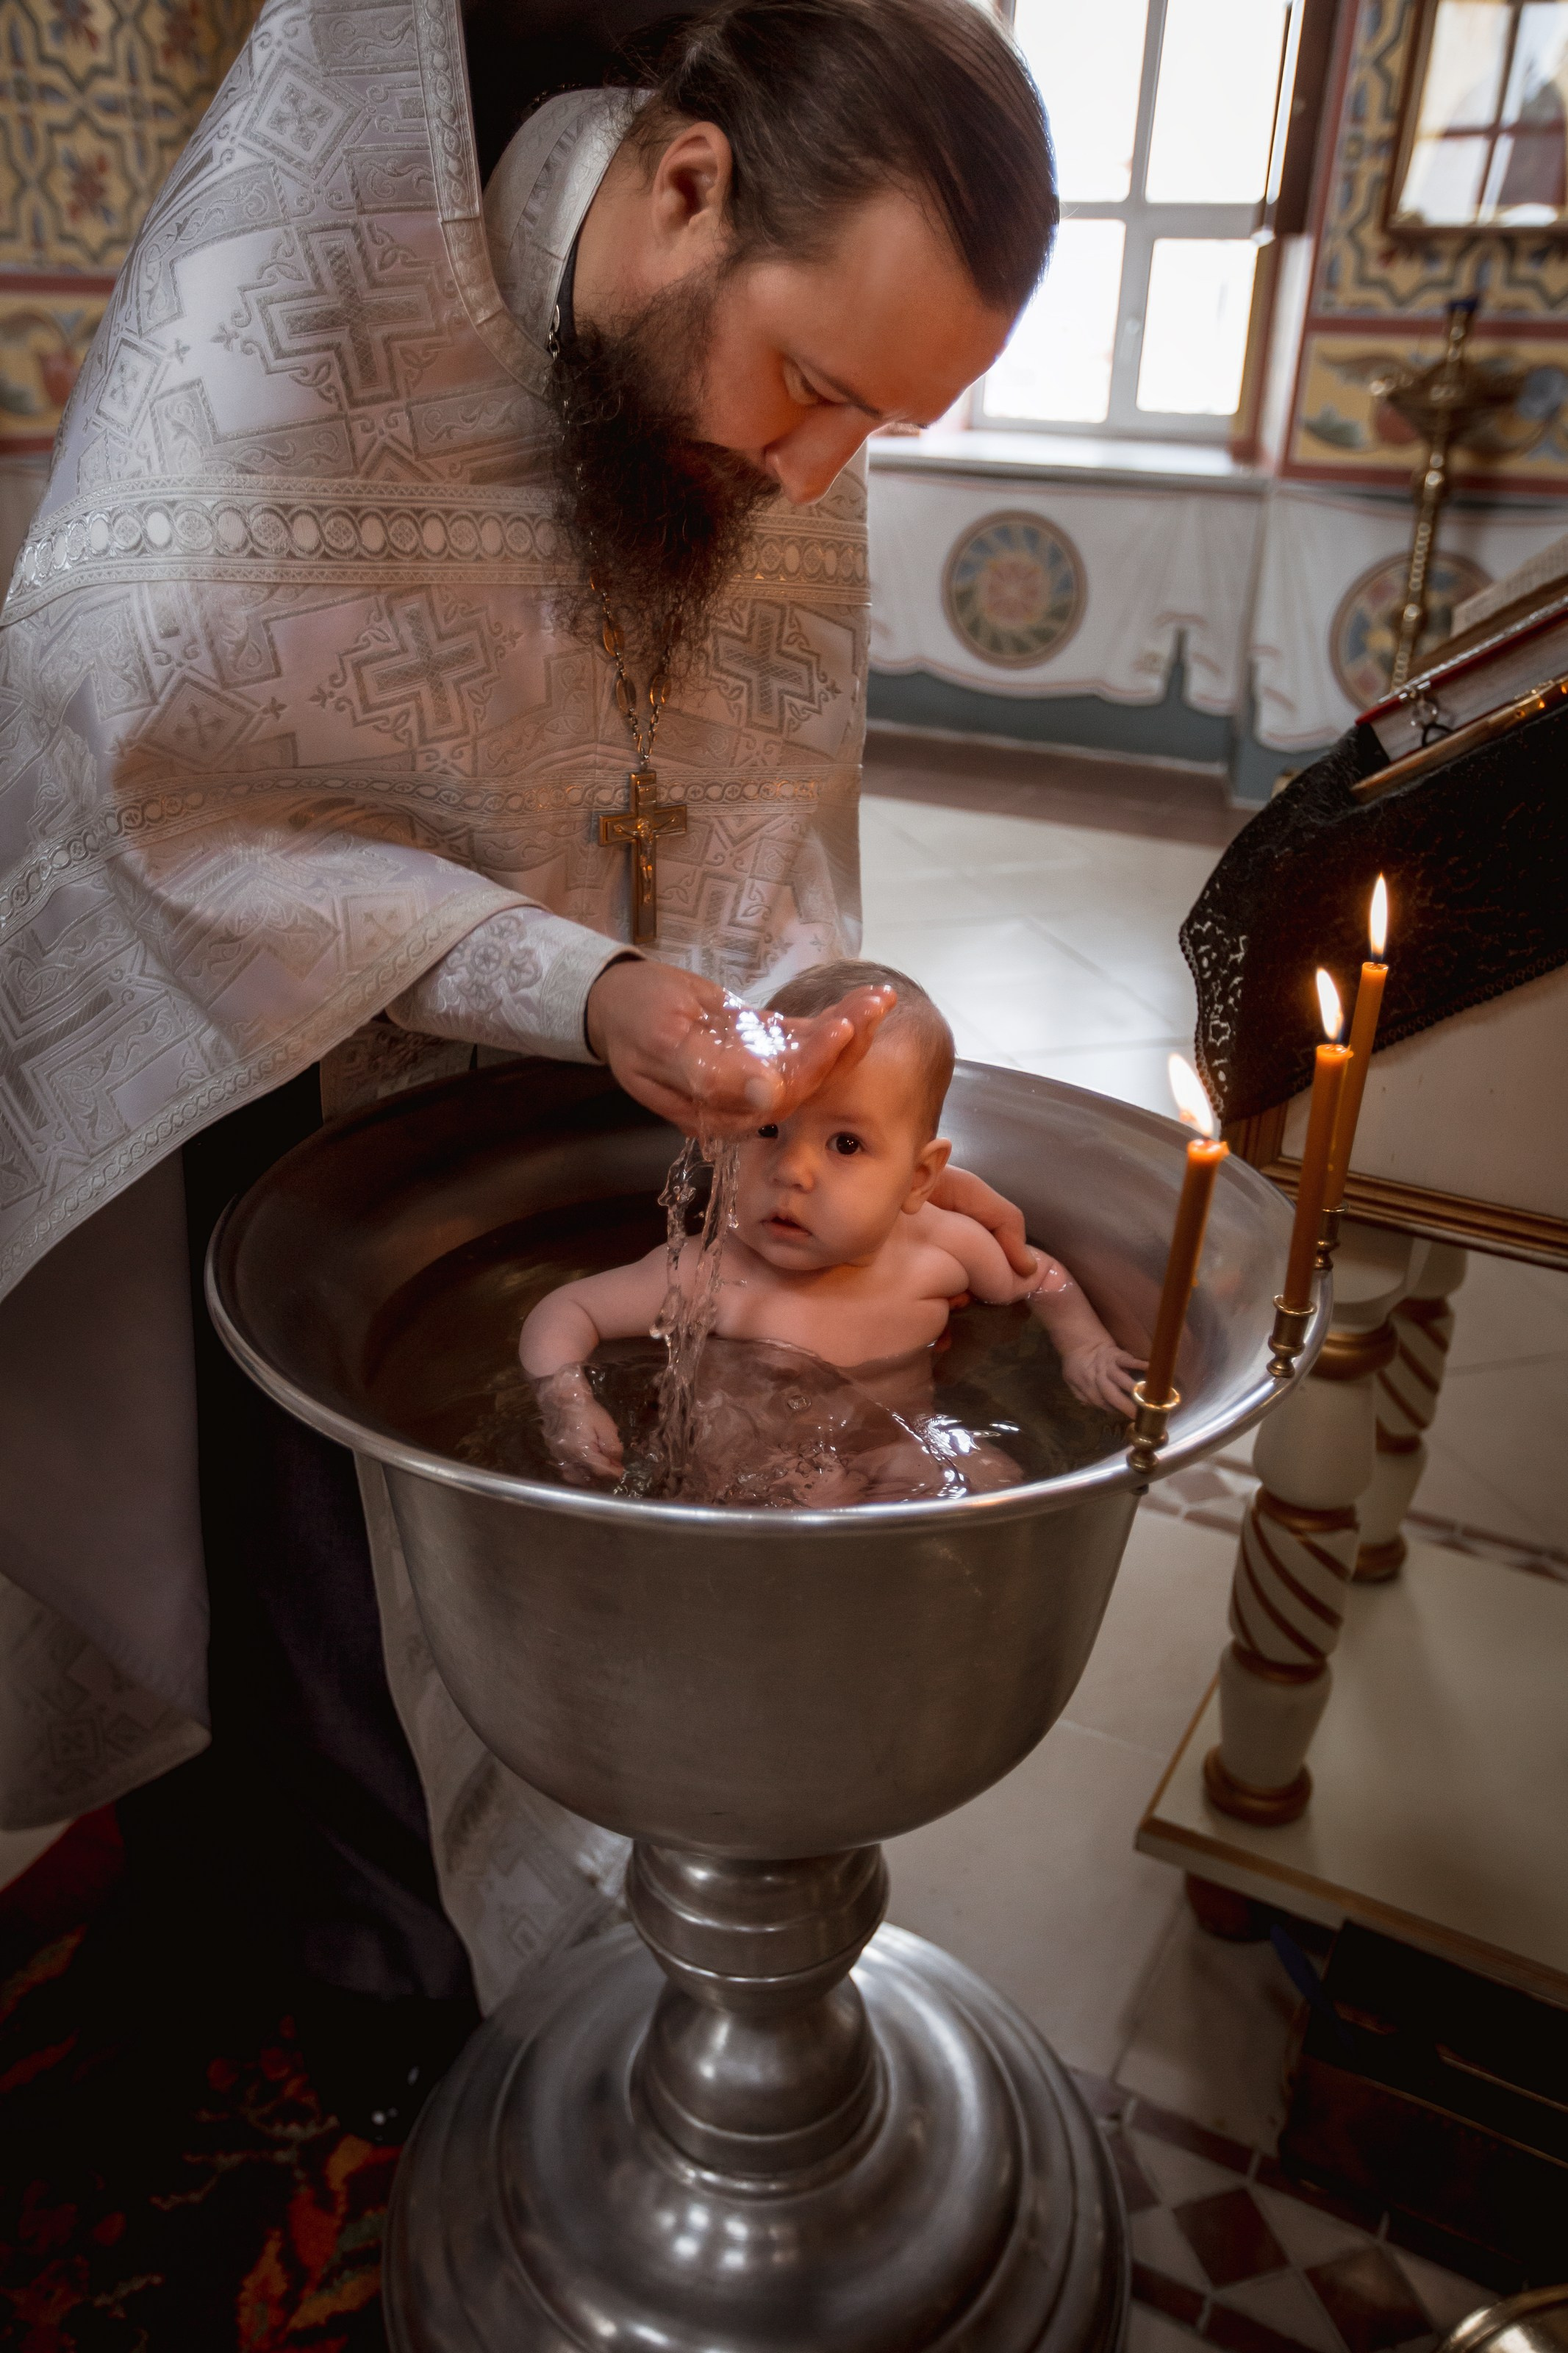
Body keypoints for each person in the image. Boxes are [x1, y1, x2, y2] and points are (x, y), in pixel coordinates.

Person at [0, 0, 1058, 2127]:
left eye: (884, 430)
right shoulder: (293, 321)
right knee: (307, 1576)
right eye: (816, 389)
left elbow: (758, 787)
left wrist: (800, 1031)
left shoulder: (762, 399)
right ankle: (372, 1990)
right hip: (279, 1063)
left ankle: (586, 1915)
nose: (807, 475)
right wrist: (565, 981)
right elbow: (147, 780)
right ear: (686, 189)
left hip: (606, 1097)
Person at [523, 961, 1143, 1488]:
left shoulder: (939, 1249)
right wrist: (567, 1403)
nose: (792, 1171)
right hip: (762, 1467)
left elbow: (1040, 1279)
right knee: (806, 1494)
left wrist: (1083, 1346)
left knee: (992, 1479)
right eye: (767, 1130)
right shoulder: (708, 1275)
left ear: (919, 1178)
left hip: (900, 1439)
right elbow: (565, 1312)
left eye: (845, 1144)